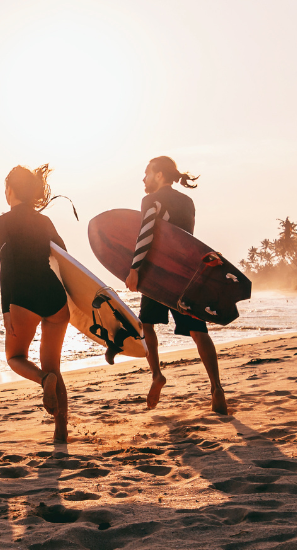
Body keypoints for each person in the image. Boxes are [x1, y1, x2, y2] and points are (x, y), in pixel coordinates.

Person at [125, 156, 228, 414]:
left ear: (159, 175)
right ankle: (216, 387)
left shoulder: (151, 200)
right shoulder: (188, 201)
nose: (143, 179)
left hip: (159, 274)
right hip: (187, 275)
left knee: (146, 324)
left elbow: (146, 234)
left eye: (147, 173)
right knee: (198, 331)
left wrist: (135, 269)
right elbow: (187, 239)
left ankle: (157, 375)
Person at [0, 164, 72, 443]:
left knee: (15, 357)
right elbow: (64, 255)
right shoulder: (45, 222)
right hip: (54, 296)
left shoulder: (1, 223)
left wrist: (6, 310)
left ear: (11, 190)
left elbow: (7, 265)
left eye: (5, 188)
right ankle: (61, 428)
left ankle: (42, 381)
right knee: (55, 367)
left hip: (23, 297)